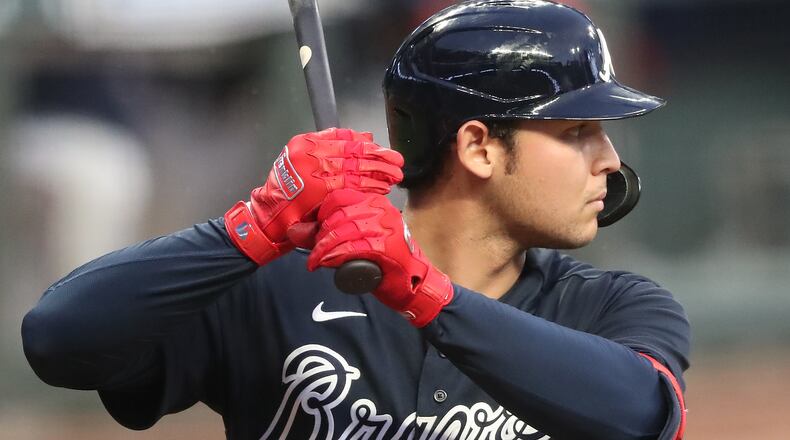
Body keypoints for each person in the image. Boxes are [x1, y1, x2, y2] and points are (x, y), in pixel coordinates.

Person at [21, 1, 690, 439]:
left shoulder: (613, 307)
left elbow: (640, 418)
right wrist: (251, 228)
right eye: (577, 132)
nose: (610, 159)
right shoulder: (278, 288)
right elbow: (58, 340)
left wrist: (422, 293)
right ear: (479, 148)